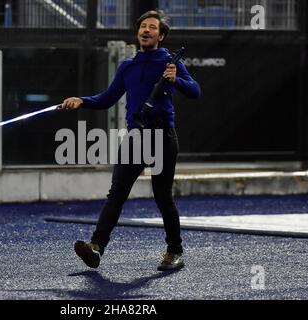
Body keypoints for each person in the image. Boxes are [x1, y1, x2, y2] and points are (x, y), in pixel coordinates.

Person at [61, 10, 201, 271]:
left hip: (162, 138)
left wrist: (176, 79)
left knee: (162, 198)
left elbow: (195, 91)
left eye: (152, 27)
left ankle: (175, 252)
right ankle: (96, 248)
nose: (146, 30)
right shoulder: (128, 65)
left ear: (160, 36)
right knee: (116, 195)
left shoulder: (170, 62)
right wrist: (82, 101)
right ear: (138, 33)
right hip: (136, 137)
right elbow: (107, 97)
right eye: (143, 27)